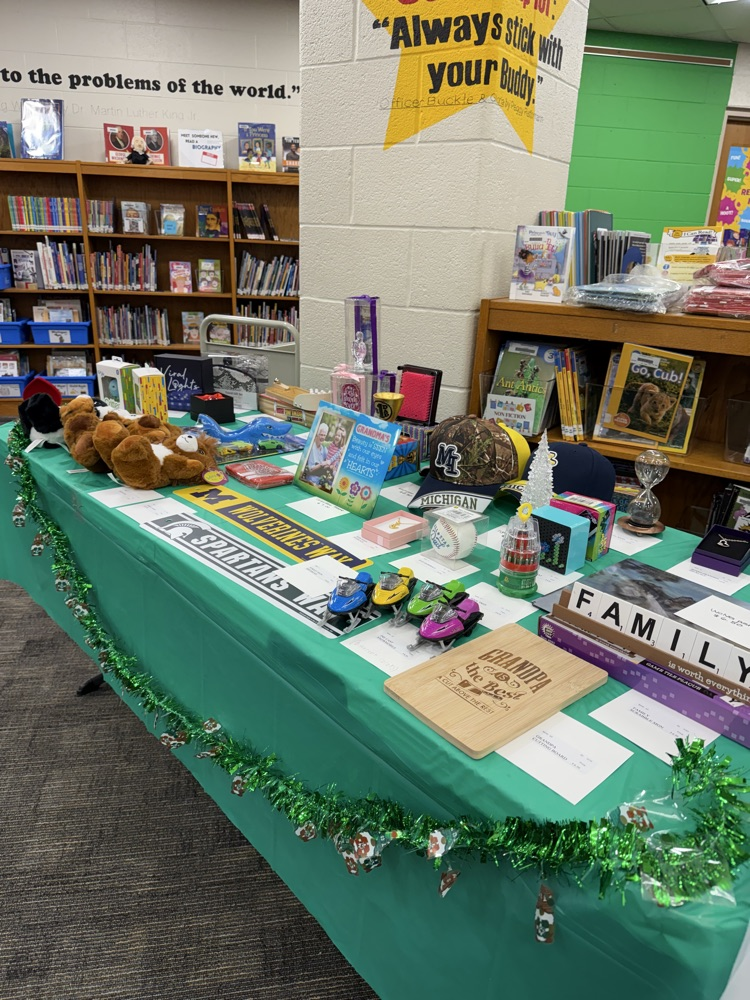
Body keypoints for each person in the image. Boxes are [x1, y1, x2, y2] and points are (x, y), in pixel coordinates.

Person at [301, 421, 332, 486]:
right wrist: (322, 464)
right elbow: (310, 469)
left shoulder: (324, 449)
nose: (323, 437)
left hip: (320, 481)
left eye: (324, 435)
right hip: (310, 482)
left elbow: (329, 461)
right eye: (321, 434)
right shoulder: (312, 448)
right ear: (317, 434)